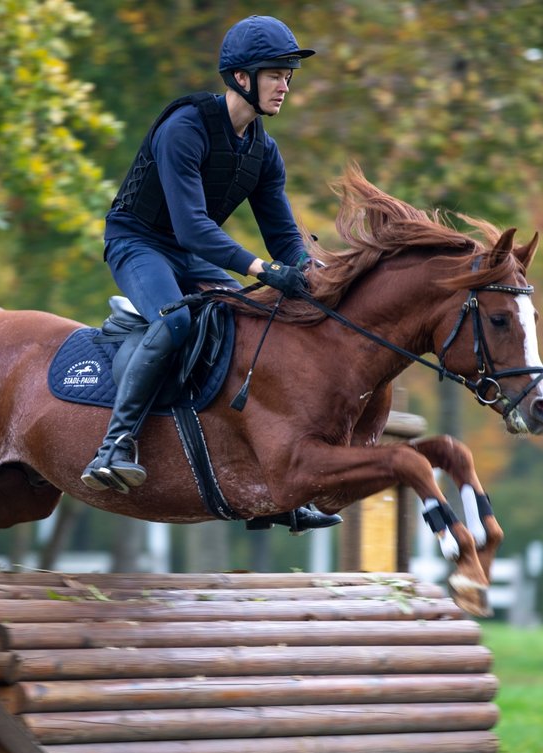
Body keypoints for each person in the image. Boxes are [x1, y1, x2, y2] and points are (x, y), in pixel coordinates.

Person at [80, 15, 340, 534]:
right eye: (276, 74)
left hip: (186, 252)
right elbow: (195, 228)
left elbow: (284, 235)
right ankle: (115, 445)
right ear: (242, 77)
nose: (286, 85)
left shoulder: (264, 151)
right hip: (138, 242)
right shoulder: (185, 128)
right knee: (178, 323)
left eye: (290, 74)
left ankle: (274, 488)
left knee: (243, 325)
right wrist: (262, 269)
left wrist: (318, 276)